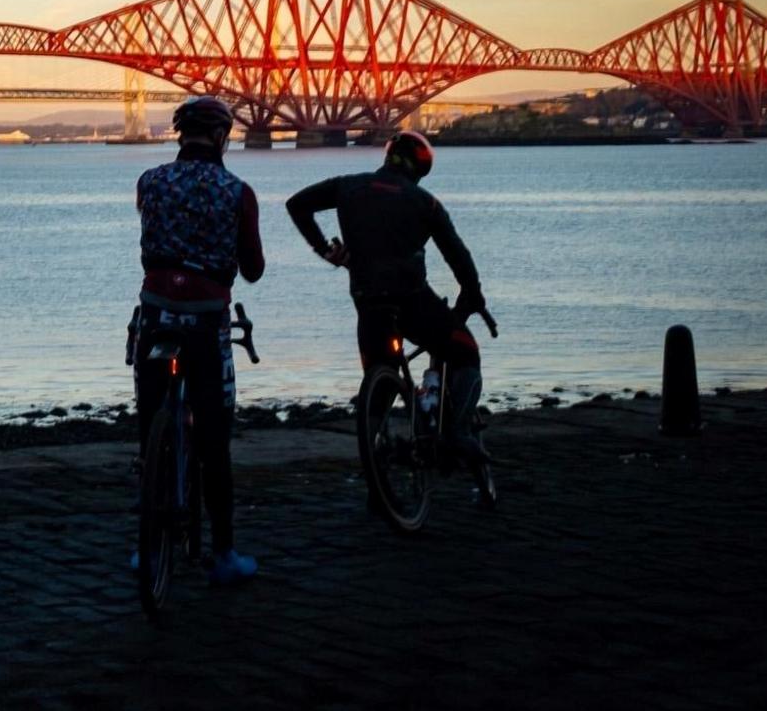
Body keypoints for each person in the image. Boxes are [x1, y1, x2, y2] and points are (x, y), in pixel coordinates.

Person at [284, 130, 496, 505]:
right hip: (413, 302)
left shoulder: (347, 186)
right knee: (465, 352)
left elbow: (296, 204)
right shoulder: (424, 202)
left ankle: (375, 484)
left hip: (368, 303)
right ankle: (458, 433)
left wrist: (326, 250)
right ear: (420, 169)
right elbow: (457, 255)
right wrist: (472, 296)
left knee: (379, 385)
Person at [129, 94, 265, 585]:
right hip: (206, 317)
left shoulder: (150, 182)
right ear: (223, 137)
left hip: (156, 309)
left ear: (179, 135)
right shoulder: (237, 191)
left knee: (150, 428)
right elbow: (253, 270)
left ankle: (146, 546)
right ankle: (224, 554)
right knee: (213, 440)